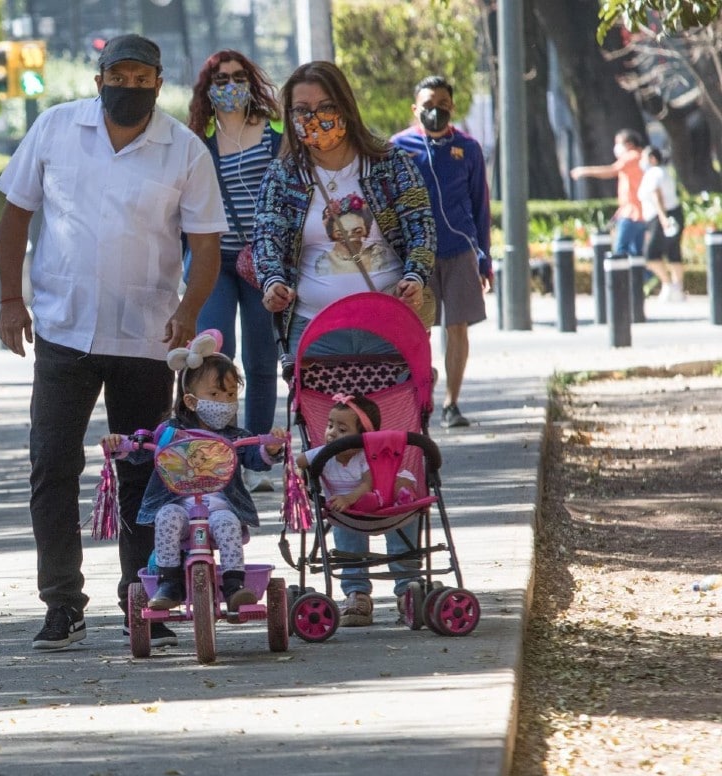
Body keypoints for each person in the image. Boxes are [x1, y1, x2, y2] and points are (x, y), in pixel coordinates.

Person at [0, 33, 227, 651]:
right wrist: (10, 300)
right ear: (98, 80)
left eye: (140, 77)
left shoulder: (184, 150)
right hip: (64, 331)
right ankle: (62, 604)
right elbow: (16, 213)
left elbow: (205, 244)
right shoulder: (54, 129)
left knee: (145, 473)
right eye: (117, 76)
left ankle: (144, 598)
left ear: (158, 82)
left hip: (146, 336)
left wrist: (188, 310)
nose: (128, 86)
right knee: (51, 465)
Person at [253, 61, 435, 358]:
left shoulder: (391, 163)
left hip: (389, 325)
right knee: (318, 407)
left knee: (392, 407)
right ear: (289, 116)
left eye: (326, 106)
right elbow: (266, 237)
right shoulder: (282, 175)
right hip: (314, 330)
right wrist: (272, 282)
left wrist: (415, 277)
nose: (314, 118)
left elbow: (420, 228)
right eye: (302, 109)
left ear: (346, 107)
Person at [102, 332, 286, 612]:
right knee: (166, 517)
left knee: (227, 522)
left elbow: (253, 457)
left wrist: (270, 449)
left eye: (230, 395)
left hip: (221, 505)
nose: (224, 402)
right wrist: (122, 444)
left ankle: (234, 585)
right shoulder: (170, 434)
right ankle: (169, 582)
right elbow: (143, 449)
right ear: (190, 401)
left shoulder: (235, 435)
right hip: (178, 503)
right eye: (214, 394)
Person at [185, 50, 283, 486]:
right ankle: (214, 454)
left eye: (238, 76)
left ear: (252, 82)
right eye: (220, 79)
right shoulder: (198, 146)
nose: (230, 85)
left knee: (262, 361)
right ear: (208, 90)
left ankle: (256, 458)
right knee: (214, 358)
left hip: (260, 263)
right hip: (212, 263)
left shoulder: (275, 141)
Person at [392, 75, 491, 429]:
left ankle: (452, 403)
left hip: (459, 252)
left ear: (453, 106)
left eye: (443, 105)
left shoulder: (468, 148)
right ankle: (420, 399)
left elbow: (481, 206)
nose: (437, 111)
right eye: (429, 105)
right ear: (415, 108)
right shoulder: (397, 148)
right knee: (416, 331)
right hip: (415, 256)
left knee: (457, 326)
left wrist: (484, 259)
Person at [296, 393, 418, 626]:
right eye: (330, 425)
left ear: (364, 437)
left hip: (382, 501)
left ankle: (407, 590)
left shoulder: (367, 456)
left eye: (342, 430)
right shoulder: (324, 453)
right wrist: (297, 478)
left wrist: (349, 498)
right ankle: (356, 592)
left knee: (404, 507)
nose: (332, 433)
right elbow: (300, 460)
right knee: (342, 517)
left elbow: (368, 483)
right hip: (349, 513)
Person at [570, 128, 646, 266]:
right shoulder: (640, 156)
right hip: (635, 212)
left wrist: (584, 171)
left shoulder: (632, 156)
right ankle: (641, 283)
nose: (616, 148)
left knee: (621, 251)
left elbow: (611, 170)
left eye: (618, 143)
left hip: (631, 214)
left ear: (629, 144)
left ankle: (623, 284)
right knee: (636, 254)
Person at [637, 145, 685, 301]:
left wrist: (663, 218)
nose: (641, 161)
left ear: (652, 158)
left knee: (650, 254)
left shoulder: (654, 173)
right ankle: (677, 288)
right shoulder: (664, 172)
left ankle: (669, 284)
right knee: (673, 252)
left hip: (661, 217)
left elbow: (657, 196)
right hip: (671, 214)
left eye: (643, 157)